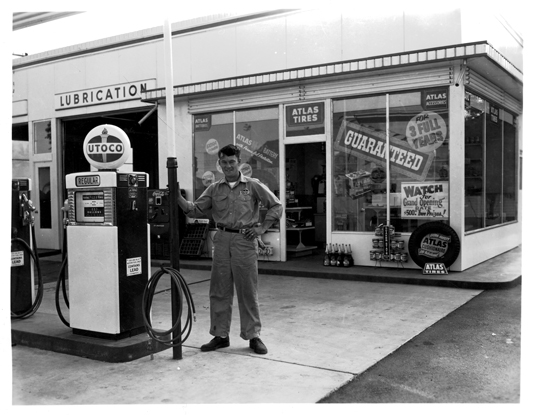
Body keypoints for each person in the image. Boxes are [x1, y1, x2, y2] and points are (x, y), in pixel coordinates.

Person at [177, 144, 283, 354]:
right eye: (224, 162)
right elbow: (195, 210)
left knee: (247, 291)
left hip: (245, 241)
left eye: (231, 162)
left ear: (239, 162)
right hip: (222, 239)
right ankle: (220, 335)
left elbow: (276, 205)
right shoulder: (214, 189)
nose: (228, 166)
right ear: (220, 163)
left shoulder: (252, 186)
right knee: (219, 290)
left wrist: (262, 228)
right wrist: (176, 197)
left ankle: (253, 336)